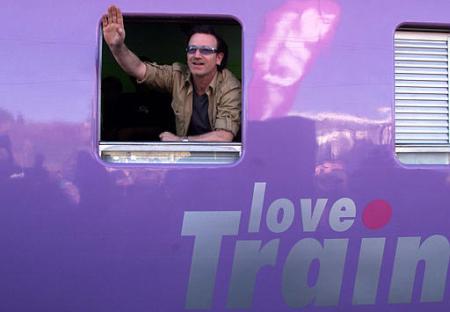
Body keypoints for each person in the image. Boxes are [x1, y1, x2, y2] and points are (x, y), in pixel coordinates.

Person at [102, 5, 241, 142]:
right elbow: (138, 69)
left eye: (205, 50)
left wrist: (180, 141)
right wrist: (117, 47)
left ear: (218, 58)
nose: (197, 55)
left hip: (220, 161)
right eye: (192, 49)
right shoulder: (177, 76)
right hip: (184, 158)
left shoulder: (229, 85)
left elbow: (224, 136)